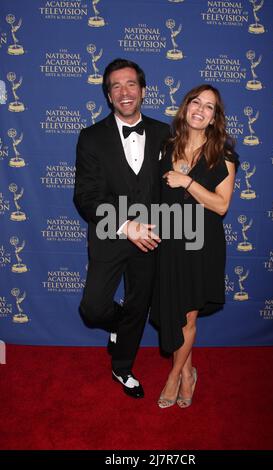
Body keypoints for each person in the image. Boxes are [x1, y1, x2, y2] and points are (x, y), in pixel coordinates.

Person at [74, 58, 170, 399]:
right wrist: (125, 225)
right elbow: (86, 197)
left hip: (153, 236)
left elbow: (177, 186)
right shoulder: (91, 137)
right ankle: (118, 325)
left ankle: (122, 367)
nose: (124, 92)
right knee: (93, 307)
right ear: (108, 95)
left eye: (130, 84)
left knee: (139, 303)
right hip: (110, 233)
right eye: (116, 86)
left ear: (143, 91)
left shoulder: (165, 133)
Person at [150, 84, 238, 408]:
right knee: (173, 313)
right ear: (186, 107)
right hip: (170, 242)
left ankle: (176, 377)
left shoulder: (223, 155)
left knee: (187, 318)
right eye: (196, 102)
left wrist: (187, 180)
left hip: (202, 245)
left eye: (210, 107)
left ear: (215, 117)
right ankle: (189, 372)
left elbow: (221, 205)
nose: (201, 110)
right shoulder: (166, 146)